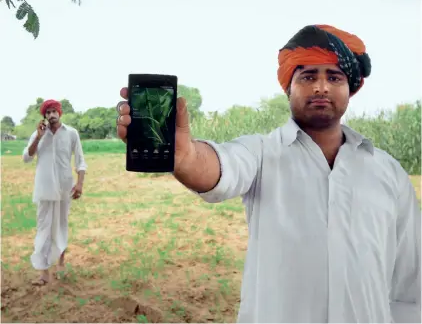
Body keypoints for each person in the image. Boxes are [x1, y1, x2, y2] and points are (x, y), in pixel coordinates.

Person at [115, 25, 421, 323]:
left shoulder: (388, 172)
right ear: (289, 86)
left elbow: (410, 281)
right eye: (308, 76)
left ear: (350, 87)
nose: (321, 87)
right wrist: (185, 158)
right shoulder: (261, 154)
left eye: (335, 77)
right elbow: (220, 168)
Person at [23, 99, 87, 286]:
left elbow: (80, 161)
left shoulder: (72, 133)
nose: (51, 115)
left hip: (64, 188)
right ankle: (43, 273)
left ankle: (60, 263)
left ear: (60, 113)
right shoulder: (38, 134)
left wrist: (80, 184)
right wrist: (38, 137)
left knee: (61, 224)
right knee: (43, 227)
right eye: (48, 112)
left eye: (54, 111)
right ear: (45, 116)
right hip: (44, 189)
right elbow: (27, 157)